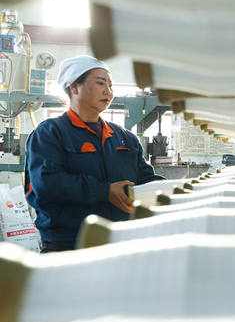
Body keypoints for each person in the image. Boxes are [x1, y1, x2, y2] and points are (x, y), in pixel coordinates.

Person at [24, 55, 166, 253]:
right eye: (100, 83)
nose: (108, 91)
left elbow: (145, 178)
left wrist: (175, 190)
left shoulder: (123, 137)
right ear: (74, 87)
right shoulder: (50, 133)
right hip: (69, 243)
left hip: (120, 240)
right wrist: (104, 191)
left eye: (110, 85)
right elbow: (47, 183)